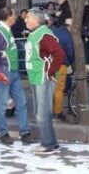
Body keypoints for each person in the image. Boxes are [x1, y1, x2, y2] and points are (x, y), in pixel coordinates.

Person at [24, 9, 66, 154]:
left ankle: (48, 144)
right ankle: (51, 143)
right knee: (41, 113)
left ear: (36, 19)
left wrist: (50, 72)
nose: (25, 20)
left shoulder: (44, 34)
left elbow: (59, 54)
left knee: (42, 113)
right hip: (36, 77)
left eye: (28, 17)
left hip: (43, 78)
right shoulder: (35, 33)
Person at [0, 7, 33, 146]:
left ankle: (25, 132)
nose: (16, 17)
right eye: (14, 15)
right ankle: (3, 133)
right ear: (8, 16)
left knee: (22, 102)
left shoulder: (7, 30)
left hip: (14, 71)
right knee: (2, 105)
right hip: (4, 71)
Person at [50, 20, 74, 122]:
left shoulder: (53, 31)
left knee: (50, 88)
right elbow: (70, 51)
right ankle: (58, 112)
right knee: (59, 88)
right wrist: (70, 62)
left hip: (49, 63)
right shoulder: (67, 35)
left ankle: (49, 110)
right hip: (60, 64)